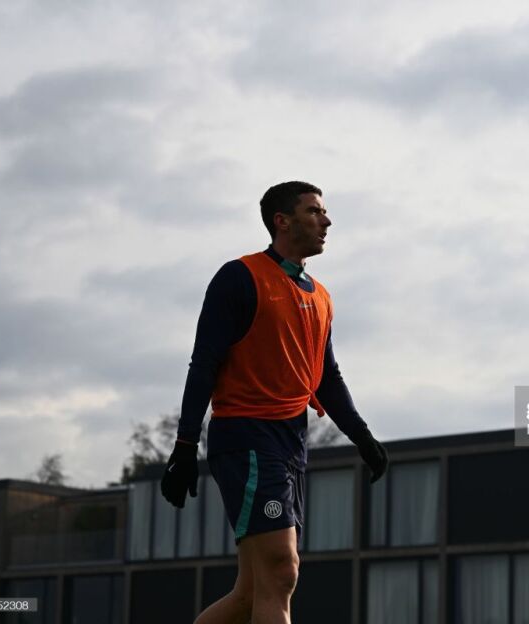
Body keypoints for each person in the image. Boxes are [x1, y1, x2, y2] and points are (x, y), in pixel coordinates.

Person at [160, 181, 388, 624]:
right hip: (246, 437)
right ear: (282, 221)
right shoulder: (240, 277)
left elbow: (326, 377)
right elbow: (204, 363)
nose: (326, 221)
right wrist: (185, 446)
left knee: (252, 593)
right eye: (314, 211)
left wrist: (363, 437)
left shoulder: (320, 296)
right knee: (282, 572)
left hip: (291, 442)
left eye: (324, 212)